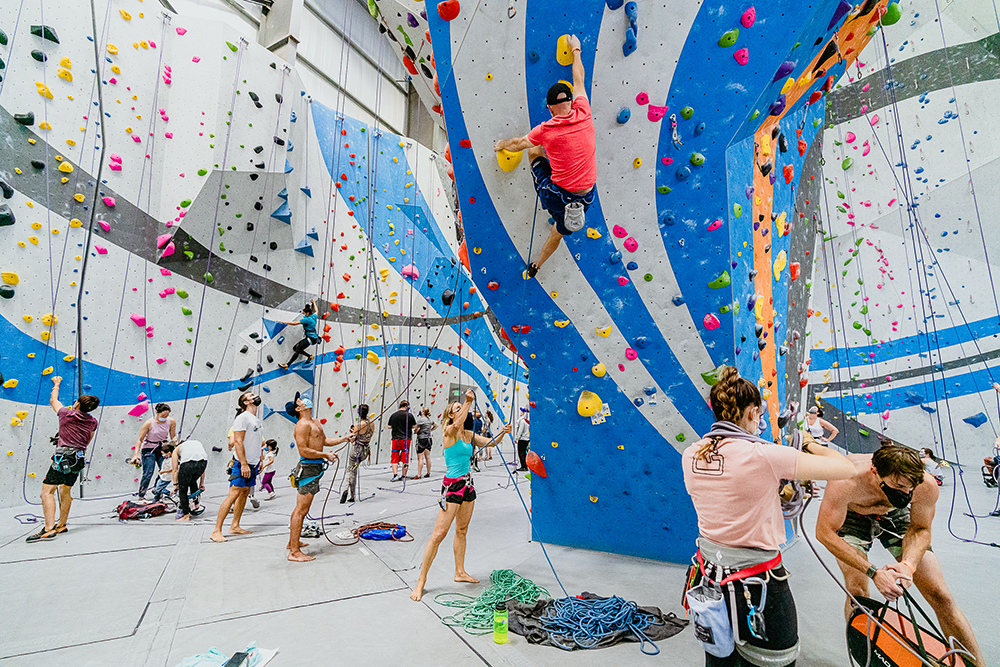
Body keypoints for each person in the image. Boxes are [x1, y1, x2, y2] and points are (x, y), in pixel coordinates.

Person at [682, 366, 855, 666]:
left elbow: (730, 494)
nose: (760, 422)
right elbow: (846, 469)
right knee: (777, 660)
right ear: (751, 412)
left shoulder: (692, 454)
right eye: (759, 415)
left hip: (709, 578)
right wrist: (809, 443)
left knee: (720, 659)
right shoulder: (765, 456)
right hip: (759, 582)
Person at [815, 444, 985, 666]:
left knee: (940, 595)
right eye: (899, 485)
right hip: (853, 516)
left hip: (896, 516)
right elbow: (824, 533)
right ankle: (866, 660)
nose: (906, 493)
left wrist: (908, 565)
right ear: (876, 471)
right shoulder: (845, 479)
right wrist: (874, 572)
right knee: (859, 594)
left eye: (910, 488)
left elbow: (921, 529)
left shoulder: (925, 485)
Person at [494, 33, 595, 277]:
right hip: (585, 194)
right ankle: (537, 265)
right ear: (572, 101)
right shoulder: (584, 111)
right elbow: (578, 77)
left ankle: (562, 209)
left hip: (560, 195)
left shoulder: (545, 129)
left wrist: (501, 144)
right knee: (558, 231)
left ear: (549, 108)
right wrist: (576, 49)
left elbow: (518, 143)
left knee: (534, 151)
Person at [410, 389, 512, 601]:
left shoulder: (468, 434)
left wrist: (503, 431)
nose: (463, 411)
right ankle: (421, 581)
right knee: (438, 534)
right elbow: (457, 424)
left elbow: (492, 443)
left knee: (462, 530)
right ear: (451, 415)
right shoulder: (449, 431)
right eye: (457, 409)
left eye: (462, 408)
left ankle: (459, 572)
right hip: (452, 488)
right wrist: (466, 401)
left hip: (468, 486)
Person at [26, 377, 101, 543]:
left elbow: (54, 400)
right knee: (65, 490)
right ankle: (61, 524)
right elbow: (87, 440)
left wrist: (56, 384)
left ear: (77, 404)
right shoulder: (93, 421)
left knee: (46, 493)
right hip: (78, 459)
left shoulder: (66, 414)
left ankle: (48, 529)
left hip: (63, 459)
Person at [285, 393, 352, 562]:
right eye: (299, 401)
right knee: (301, 510)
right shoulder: (302, 425)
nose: (303, 399)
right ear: (299, 408)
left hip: (314, 467)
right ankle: (294, 552)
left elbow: (323, 440)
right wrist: (325, 455)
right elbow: (303, 450)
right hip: (308, 468)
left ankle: (293, 542)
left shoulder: (314, 421)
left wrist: (343, 438)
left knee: (300, 509)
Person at [210, 391, 264, 543]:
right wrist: (244, 463)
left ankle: (235, 525)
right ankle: (216, 531)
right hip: (242, 463)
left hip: (253, 463)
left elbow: (258, 441)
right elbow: (238, 442)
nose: (254, 396)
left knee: (245, 492)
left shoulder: (255, 419)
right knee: (233, 493)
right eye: (251, 395)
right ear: (246, 402)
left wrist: (259, 460)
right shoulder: (242, 418)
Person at [129, 403, 177, 500]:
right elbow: (140, 440)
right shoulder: (149, 423)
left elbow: (173, 436)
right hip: (149, 449)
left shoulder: (171, 421)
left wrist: (175, 445)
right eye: (163, 416)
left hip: (163, 448)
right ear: (157, 412)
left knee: (164, 471)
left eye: (167, 416)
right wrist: (135, 454)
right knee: (148, 473)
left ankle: (157, 489)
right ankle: (141, 496)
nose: (165, 418)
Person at [161, 439, 208, 521]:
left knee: (183, 490)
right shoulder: (195, 444)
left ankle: (186, 515)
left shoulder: (176, 450)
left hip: (188, 464)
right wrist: (201, 483)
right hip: (203, 462)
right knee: (192, 482)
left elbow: (175, 470)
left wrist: (176, 485)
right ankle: (196, 505)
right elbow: (202, 471)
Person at [342, 404, 374, 503]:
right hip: (365, 450)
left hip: (357, 450)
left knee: (351, 471)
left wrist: (351, 432)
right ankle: (350, 494)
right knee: (353, 470)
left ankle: (347, 490)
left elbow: (352, 440)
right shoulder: (372, 423)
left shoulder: (358, 425)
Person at [278, 299, 319, 369]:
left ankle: (288, 364)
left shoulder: (307, 319)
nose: (303, 314)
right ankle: (308, 356)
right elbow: (316, 311)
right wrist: (314, 302)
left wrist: (283, 322)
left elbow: (294, 323)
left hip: (310, 339)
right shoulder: (313, 316)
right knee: (295, 348)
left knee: (297, 349)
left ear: (307, 313)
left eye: (304, 313)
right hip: (312, 337)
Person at [387, 400, 417, 482]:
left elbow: (389, 427)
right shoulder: (409, 415)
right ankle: (403, 476)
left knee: (394, 457)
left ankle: (395, 474)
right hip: (406, 439)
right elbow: (414, 426)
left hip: (395, 439)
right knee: (405, 458)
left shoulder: (393, 415)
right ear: (406, 406)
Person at [412, 407, 438, 479]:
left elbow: (416, 429)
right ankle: (428, 473)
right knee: (428, 457)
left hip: (421, 439)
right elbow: (436, 425)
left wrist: (415, 431)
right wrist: (430, 430)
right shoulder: (429, 420)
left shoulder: (421, 420)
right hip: (429, 439)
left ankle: (419, 475)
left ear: (422, 412)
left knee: (420, 458)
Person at [513, 407, 530, 472]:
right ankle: (525, 465)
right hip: (527, 439)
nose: (520, 413)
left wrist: (516, 438)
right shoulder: (528, 421)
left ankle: (523, 466)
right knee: (525, 454)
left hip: (522, 439)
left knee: (521, 453)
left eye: (521, 412)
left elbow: (520, 431)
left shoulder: (523, 421)